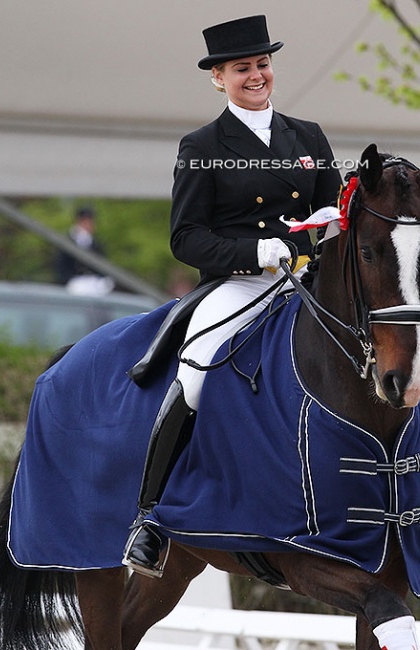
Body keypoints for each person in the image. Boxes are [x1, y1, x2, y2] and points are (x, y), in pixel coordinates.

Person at [122, 14, 343, 577]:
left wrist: (333, 218)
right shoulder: (201, 145)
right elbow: (185, 237)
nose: (257, 75)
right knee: (195, 370)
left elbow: (332, 206)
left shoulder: (309, 135)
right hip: (238, 283)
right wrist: (254, 251)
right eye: (242, 68)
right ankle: (149, 516)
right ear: (218, 79)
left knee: (386, 357)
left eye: (263, 64)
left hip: (305, 280)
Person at [56, 206, 114, 295]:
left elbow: (102, 263)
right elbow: (62, 264)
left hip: (93, 281)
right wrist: (68, 280)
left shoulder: (95, 242)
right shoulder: (69, 241)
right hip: (75, 281)